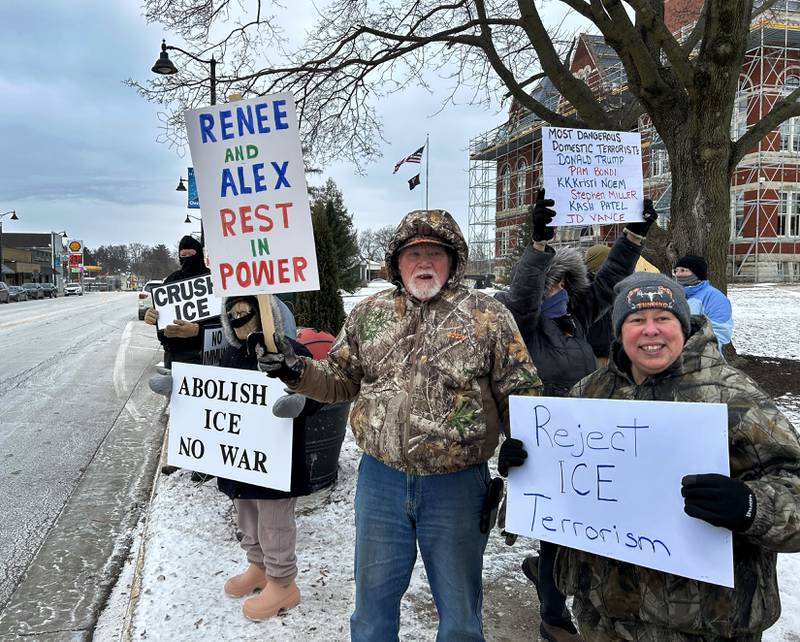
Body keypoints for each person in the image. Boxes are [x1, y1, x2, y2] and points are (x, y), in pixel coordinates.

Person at [257, 209, 541, 641]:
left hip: (458, 488)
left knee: (461, 617)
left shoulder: (488, 317)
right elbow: (340, 379)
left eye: (435, 252)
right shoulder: (369, 314)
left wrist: (525, 444)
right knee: (371, 614)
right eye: (413, 253)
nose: (424, 262)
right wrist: (294, 370)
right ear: (396, 261)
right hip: (381, 483)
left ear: (453, 260)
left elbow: (520, 392)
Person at [506, 271, 800, 641]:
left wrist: (751, 507)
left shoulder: (733, 397)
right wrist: (525, 468)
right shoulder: (589, 394)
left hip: (706, 624)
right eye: (636, 320)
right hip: (604, 618)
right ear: (619, 329)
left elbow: (794, 487)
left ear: (682, 323)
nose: (650, 330)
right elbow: (562, 488)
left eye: (663, 318)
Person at [495, 192, 657, 642]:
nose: (558, 291)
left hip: (589, 443)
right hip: (543, 444)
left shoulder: (574, 319)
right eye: (552, 284)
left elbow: (608, 284)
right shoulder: (522, 326)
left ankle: (574, 592)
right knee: (555, 533)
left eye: (564, 283)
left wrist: (632, 238)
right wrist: (539, 248)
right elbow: (524, 297)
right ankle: (553, 615)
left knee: (585, 532)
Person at [216, 294, 322, 621]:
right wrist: (177, 390)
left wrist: (302, 402)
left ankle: (282, 582)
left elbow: (319, 388)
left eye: (247, 312)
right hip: (239, 459)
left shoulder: (292, 351)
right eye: (233, 315)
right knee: (246, 515)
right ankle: (258, 566)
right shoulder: (228, 354)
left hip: (276, 459)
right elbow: (209, 391)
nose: (241, 320)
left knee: (274, 521)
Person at [143, 235, 211, 366]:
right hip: (173, 355)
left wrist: (199, 331)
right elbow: (161, 313)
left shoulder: (212, 281)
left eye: (191, 254)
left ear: (199, 254)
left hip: (203, 356)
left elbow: (224, 324)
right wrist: (151, 315)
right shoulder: (172, 280)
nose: (187, 258)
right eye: (183, 255)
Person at [673, 254, 733, 350]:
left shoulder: (715, 297)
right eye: (676, 271)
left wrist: (691, 348)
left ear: (697, 273)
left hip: (701, 357)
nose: (678, 274)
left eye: (683, 270)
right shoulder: (673, 295)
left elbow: (721, 332)